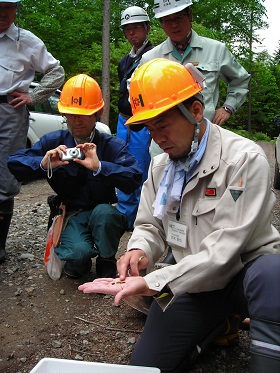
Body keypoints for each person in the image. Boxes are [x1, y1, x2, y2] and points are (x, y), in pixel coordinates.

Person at [78, 59, 280, 372]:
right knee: (149, 364)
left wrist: (151, 282)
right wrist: (139, 250)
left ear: (196, 111)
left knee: (273, 274)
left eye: (163, 124)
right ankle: (220, 325)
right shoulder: (161, 166)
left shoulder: (243, 159)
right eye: (149, 128)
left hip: (242, 274)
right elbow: (149, 224)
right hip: (189, 281)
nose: (157, 137)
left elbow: (224, 252)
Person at [7, 74, 143, 279]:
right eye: (71, 114)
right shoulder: (53, 142)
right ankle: (80, 256)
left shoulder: (111, 145)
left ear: (98, 113)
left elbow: (134, 177)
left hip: (102, 210)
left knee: (106, 215)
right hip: (70, 213)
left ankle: (106, 258)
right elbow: (14, 163)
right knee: (77, 259)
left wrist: (100, 166)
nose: (76, 120)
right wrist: (43, 164)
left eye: (83, 114)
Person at [137, 0, 250, 158]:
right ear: (161, 23)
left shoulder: (216, 50)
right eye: (167, 20)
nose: (174, 25)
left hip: (206, 142)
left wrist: (228, 108)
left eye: (178, 17)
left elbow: (240, 80)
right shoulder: (150, 59)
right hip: (164, 148)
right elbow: (136, 98)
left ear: (190, 15)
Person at [0, 0, 65, 264]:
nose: (4, 13)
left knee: (5, 176)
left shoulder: (26, 41)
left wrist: (34, 96)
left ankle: (0, 244)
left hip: (10, 111)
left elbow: (56, 71)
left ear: (16, 10)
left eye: (9, 7)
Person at [116, 6, 153, 230]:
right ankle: (125, 217)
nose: (132, 33)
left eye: (136, 28)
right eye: (127, 29)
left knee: (141, 166)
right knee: (122, 163)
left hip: (143, 121)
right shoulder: (124, 62)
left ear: (147, 28)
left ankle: (142, 220)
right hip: (123, 120)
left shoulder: (155, 56)